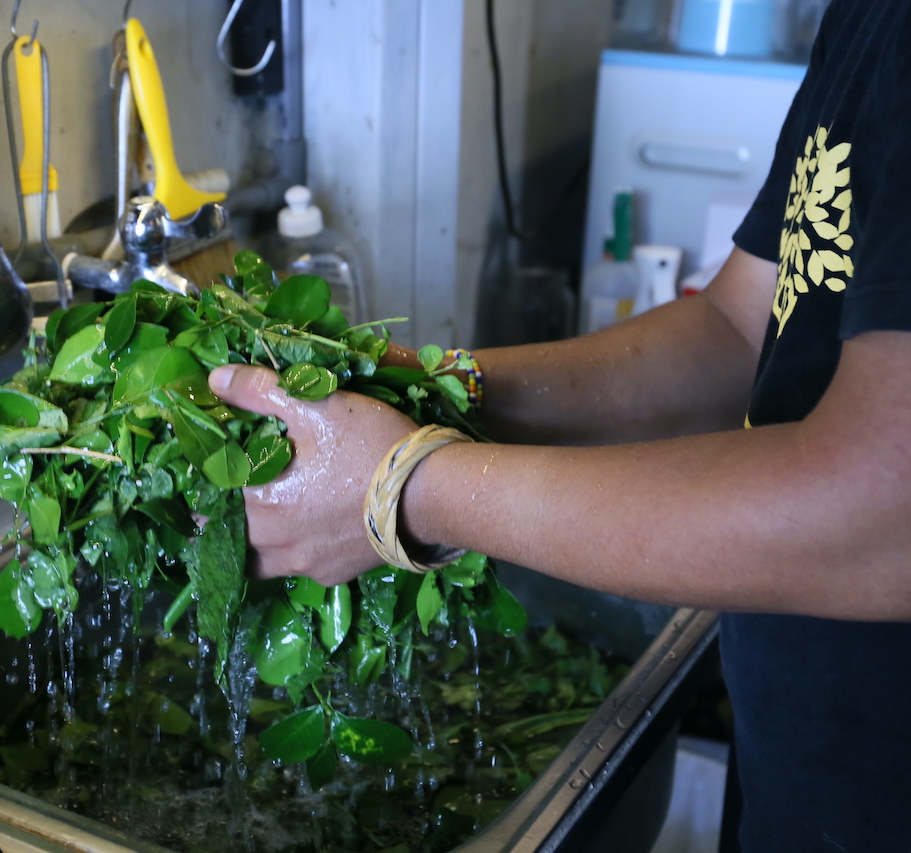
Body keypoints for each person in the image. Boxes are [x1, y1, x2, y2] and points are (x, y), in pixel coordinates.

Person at [206, 2, 911, 850]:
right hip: (804, 786)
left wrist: (408, 485)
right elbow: (738, 329)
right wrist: (442, 389)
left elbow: (884, 514)